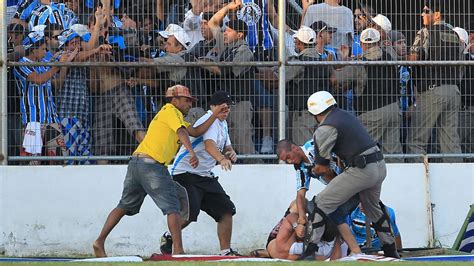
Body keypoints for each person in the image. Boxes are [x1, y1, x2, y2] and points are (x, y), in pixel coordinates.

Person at [92, 85, 227, 257]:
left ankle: (99, 241)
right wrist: (192, 153)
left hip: (136, 164)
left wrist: (215, 114)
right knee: (173, 206)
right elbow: (182, 133)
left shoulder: (170, 115)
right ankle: (178, 250)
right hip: (152, 167)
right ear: (174, 100)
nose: (189, 105)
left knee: (124, 205)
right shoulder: (170, 111)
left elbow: (195, 131)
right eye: (186, 101)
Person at [303, 91, 399, 259]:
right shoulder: (345, 116)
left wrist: (311, 170)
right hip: (379, 165)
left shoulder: (325, 128)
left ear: (314, 113)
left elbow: (322, 167)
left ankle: (309, 253)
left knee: (320, 204)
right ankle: (391, 251)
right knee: (373, 208)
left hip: (362, 170)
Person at [160, 91, 240, 256]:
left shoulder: (222, 123)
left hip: (204, 175)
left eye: (228, 109)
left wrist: (231, 152)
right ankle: (169, 237)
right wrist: (221, 159)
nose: (225, 112)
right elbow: (210, 145)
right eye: (222, 108)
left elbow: (226, 145)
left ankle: (226, 251)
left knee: (226, 210)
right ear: (212, 107)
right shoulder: (208, 120)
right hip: (185, 172)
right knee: (189, 213)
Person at [406, 0, 464, 163]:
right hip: (453, 91)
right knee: (450, 142)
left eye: (426, 11)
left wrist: (399, 56)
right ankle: (458, 183)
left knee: (416, 141)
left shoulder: (426, 32)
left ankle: (416, 183)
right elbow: (461, 67)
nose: (422, 14)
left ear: (437, 14)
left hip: (432, 91)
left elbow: (414, 59)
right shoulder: (456, 35)